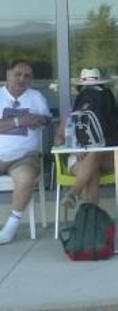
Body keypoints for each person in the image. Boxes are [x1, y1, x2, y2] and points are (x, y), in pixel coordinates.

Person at [55, 69, 118, 210]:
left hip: (108, 157)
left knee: (95, 150)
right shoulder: (71, 109)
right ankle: (91, 220)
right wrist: (74, 147)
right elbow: (58, 138)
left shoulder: (108, 106)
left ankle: (73, 192)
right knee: (92, 171)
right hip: (80, 159)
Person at [0, 60, 49, 245]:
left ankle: (10, 228)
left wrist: (41, 120)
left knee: (27, 177)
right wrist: (20, 121)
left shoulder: (35, 97)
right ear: (8, 74)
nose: (22, 79)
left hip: (24, 156)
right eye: (18, 74)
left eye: (27, 76)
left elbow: (46, 120)